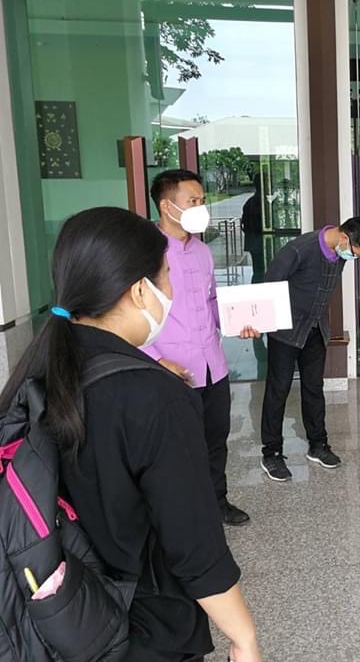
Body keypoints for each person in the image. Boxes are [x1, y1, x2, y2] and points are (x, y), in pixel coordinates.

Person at [0, 207, 261, 662]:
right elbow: (194, 548)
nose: (171, 290)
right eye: (166, 276)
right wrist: (245, 639)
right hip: (141, 627)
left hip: (57, 616)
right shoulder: (156, 398)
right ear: (140, 290)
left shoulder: (38, 372)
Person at [143, 169, 257, 527]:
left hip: (213, 365)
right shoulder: (145, 254)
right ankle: (179, 514)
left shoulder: (203, 252)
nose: (201, 208)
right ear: (167, 206)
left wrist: (237, 322)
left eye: (202, 201)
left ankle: (217, 502)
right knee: (175, 448)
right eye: (192, 201)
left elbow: (210, 302)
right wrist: (157, 361)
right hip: (171, 369)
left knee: (215, 440)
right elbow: (131, 314)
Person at [259, 217, 360, 482]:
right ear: (345, 238)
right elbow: (269, 283)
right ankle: (272, 452)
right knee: (278, 390)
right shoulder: (299, 249)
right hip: (286, 331)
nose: (353, 258)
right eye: (355, 253)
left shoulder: (340, 253)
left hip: (315, 329)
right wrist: (261, 322)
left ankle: (318, 444)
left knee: (314, 388)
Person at [241, 173, 266, 284]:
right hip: (259, 243)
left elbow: (244, 224)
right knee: (260, 272)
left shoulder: (249, 202)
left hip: (253, 242)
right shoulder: (261, 202)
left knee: (258, 271)